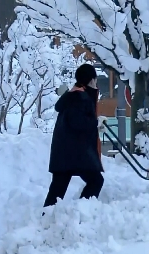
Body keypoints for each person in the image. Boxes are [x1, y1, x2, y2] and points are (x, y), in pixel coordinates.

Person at [43, 64, 104, 214]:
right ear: (91, 80)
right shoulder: (80, 97)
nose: (96, 83)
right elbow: (77, 122)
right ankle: (80, 213)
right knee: (96, 181)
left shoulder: (73, 95)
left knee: (57, 189)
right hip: (76, 154)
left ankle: (46, 220)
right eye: (95, 79)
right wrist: (96, 123)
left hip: (66, 153)